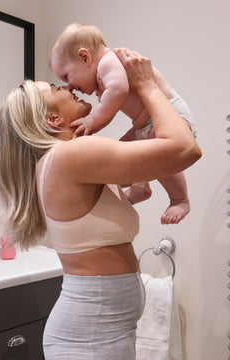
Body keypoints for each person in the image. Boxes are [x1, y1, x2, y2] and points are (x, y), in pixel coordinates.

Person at [0, 48, 201, 360]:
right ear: (52, 118)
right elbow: (185, 148)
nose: (68, 85)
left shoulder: (66, 158)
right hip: (92, 340)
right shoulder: (70, 156)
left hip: (101, 334)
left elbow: (151, 144)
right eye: (55, 87)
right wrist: (145, 86)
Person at [50, 23, 197, 225]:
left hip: (172, 116)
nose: (69, 86)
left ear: (85, 57)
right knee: (129, 149)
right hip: (143, 125)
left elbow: (118, 91)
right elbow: (108, 111)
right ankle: (140, 187)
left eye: (67, 76)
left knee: (161, 157)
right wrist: (90, 127)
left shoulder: (108, 62)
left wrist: (92, 121)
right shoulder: (104, 79)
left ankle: (180, 199)